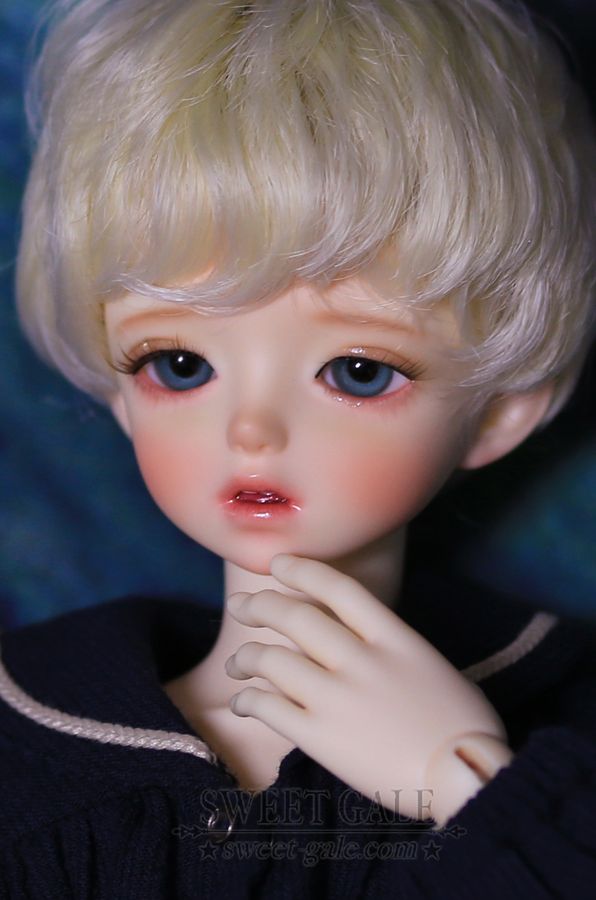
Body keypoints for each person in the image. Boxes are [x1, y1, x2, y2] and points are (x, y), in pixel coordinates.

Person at [1, 0, 595, 896]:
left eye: (358, 371)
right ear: (119, 396)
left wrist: (476, 790)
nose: (251, 430)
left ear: (499, 413)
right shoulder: (32, 743)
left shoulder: (568, 717)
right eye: (179, 365)